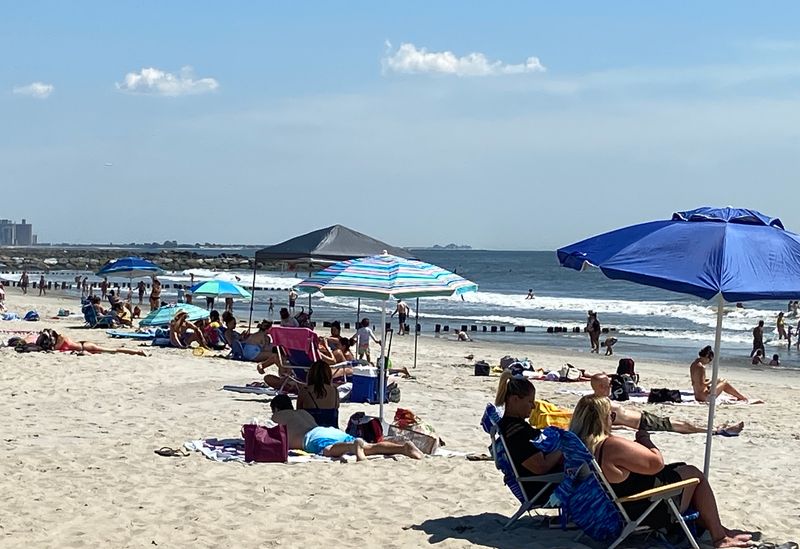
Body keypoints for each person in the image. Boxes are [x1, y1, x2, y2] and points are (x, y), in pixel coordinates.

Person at [570, 395, 752, 548]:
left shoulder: (576, 446)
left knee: (680, 468)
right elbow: (656, 464)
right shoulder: (610, 445)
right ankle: (720, 537)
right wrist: (645, 440)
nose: (613, 419)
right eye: (611, 415)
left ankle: (719, 529)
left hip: (610, 505)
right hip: (643, 509)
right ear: (602, 418)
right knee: (695, 475)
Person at [270, 394, 422, 461]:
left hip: (312, 438)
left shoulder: (277, 417)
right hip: (329, 430)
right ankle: (403, 448)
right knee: (369, 447)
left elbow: (270, 437)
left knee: (329, 450)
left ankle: (352, 446)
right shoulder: (302, 412)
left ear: (276, 409)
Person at [590, 374, 743, 436]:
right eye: (608, 384)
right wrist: (625, 428)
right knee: (682, 425)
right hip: (643, 423)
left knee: (681, 423)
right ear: (600, 386)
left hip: (644, 418)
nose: (611, 386)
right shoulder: (600, 404)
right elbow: (602, 425)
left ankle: (714, 429)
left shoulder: (602, 400)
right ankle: (718, 431)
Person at [494, 370, 563, 501]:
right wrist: (563, 448)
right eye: (530, 401)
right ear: (515, 400)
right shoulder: (517, 433)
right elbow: (540, 467)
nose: (533, 406)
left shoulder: (509, 425)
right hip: (543, 488)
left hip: (539, 483)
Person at [53, 331, 147, 356]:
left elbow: (55, 348)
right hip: (83, 345)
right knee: (113, 350)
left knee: (114, 350)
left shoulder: (62, 339)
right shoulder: (61, 340)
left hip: (85, 347)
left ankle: (138, 352)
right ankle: (137, 352)